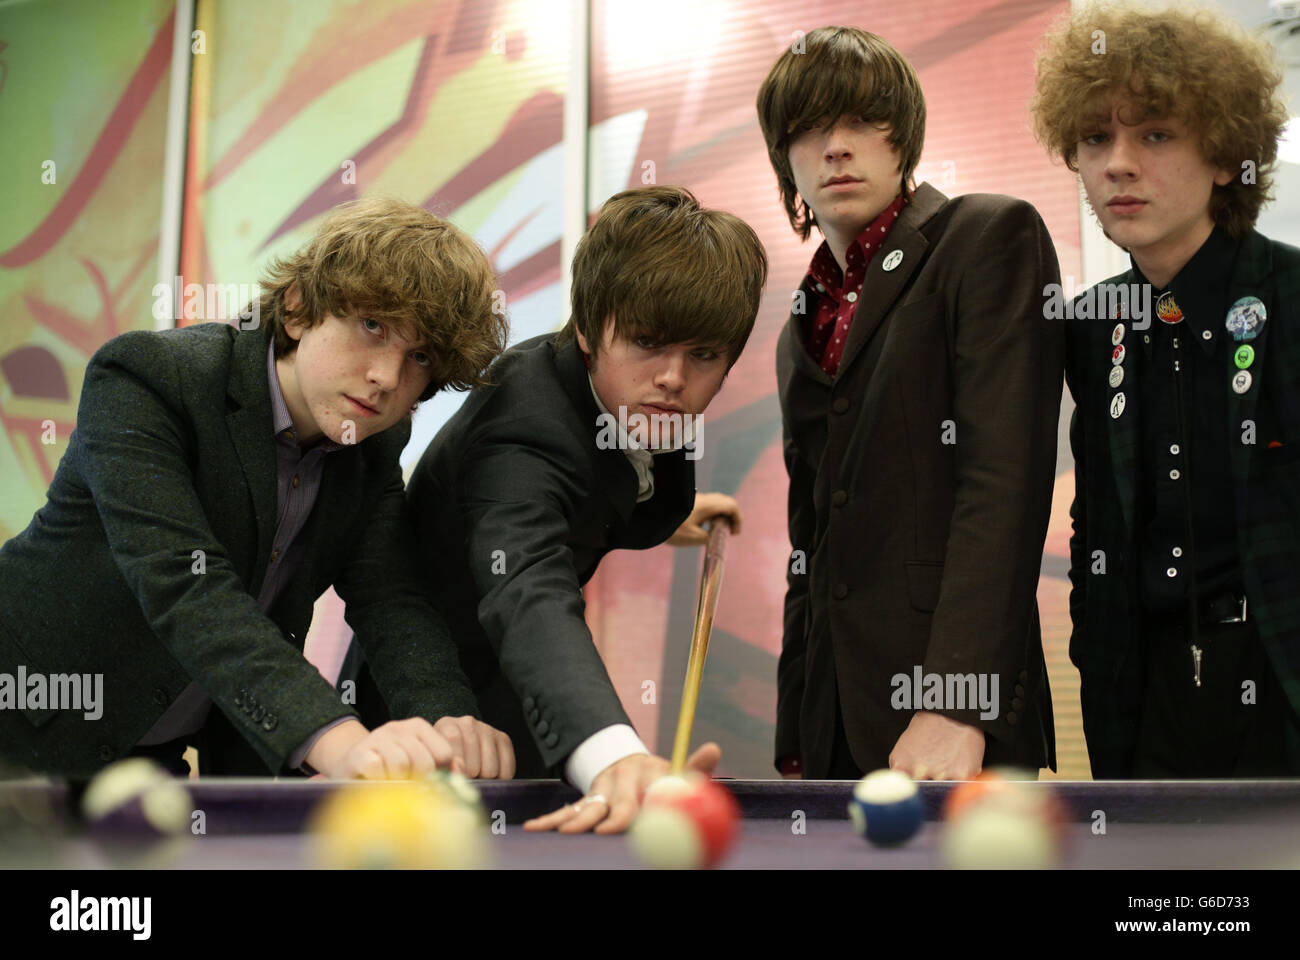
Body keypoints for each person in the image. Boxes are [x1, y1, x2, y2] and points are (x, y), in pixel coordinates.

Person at [0, 197, 516, 780]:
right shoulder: (151, 377)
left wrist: (447, 719)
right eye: (372, 326)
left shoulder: (373, 440)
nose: (387, 378)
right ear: (297, 309)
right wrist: (335, 738)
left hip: (147, 766)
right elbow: (187, 588)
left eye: (419, 356)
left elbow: (391, 600)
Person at [380, 185, 764, 833]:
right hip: (427, 712)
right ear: (588, 330)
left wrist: (674, 517)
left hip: (522, 702)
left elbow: (596, 487)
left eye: (703, 355)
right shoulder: (523, 425)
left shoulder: (632, 403)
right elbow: (527, 581)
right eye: (647, 341)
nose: (674, 377)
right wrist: (614, 754)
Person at [756, 26, 1063, 781]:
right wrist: (797, 727)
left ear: (905, 139)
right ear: (784, 157)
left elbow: (1005, 485)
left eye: (861, 120)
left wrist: (960, 704)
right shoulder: (801, 320)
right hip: (833, 731)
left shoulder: (986, 237)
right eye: (810, 127)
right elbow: (812, 543)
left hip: (955, 725)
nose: (835, 146)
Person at [1031, 3, 1300, 776]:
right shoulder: (1091, 325)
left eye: (1153, 134)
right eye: (1094, 139)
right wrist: (1096, 648)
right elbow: (1097, 521)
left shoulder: (1290, 296)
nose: (1117, 163)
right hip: (1141, 703)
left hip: (1280, 685)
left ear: (1225, 156)